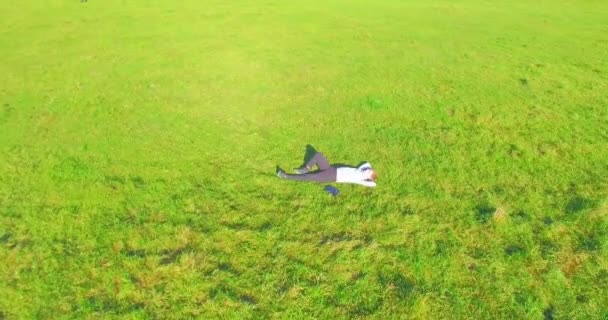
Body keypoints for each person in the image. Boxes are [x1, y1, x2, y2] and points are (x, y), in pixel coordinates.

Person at [276, 151, 377, 187]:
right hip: (331, 169)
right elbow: (367, 163)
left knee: (309, 177)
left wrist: (369, 178)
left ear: (368, 178)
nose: (367, 170)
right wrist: (369, 170)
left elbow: (373, 184)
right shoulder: (360, 169)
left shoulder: (360, 179)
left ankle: (285, 176)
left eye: (369, 172)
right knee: (318, 155)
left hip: (331, 176)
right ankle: (306, 168)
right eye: (369, 169)